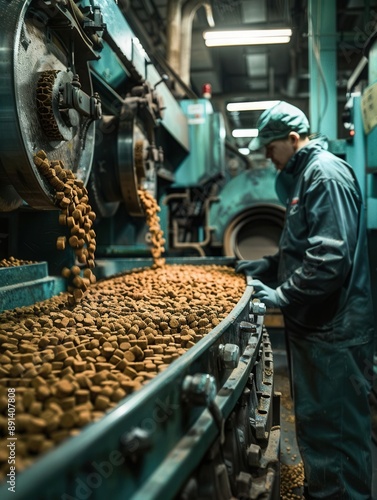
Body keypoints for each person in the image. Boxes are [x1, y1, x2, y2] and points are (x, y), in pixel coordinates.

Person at [236, 101, 375, 499]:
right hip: (318, 331)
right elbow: (305, 246)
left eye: (270, 147)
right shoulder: (306, 177)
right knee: (320, 428)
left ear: (293, 139)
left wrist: (282, 295)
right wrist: (270, 264)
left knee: (337, 434)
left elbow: (329, 259)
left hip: (334, 333)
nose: (267, 156)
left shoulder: (324, 175)